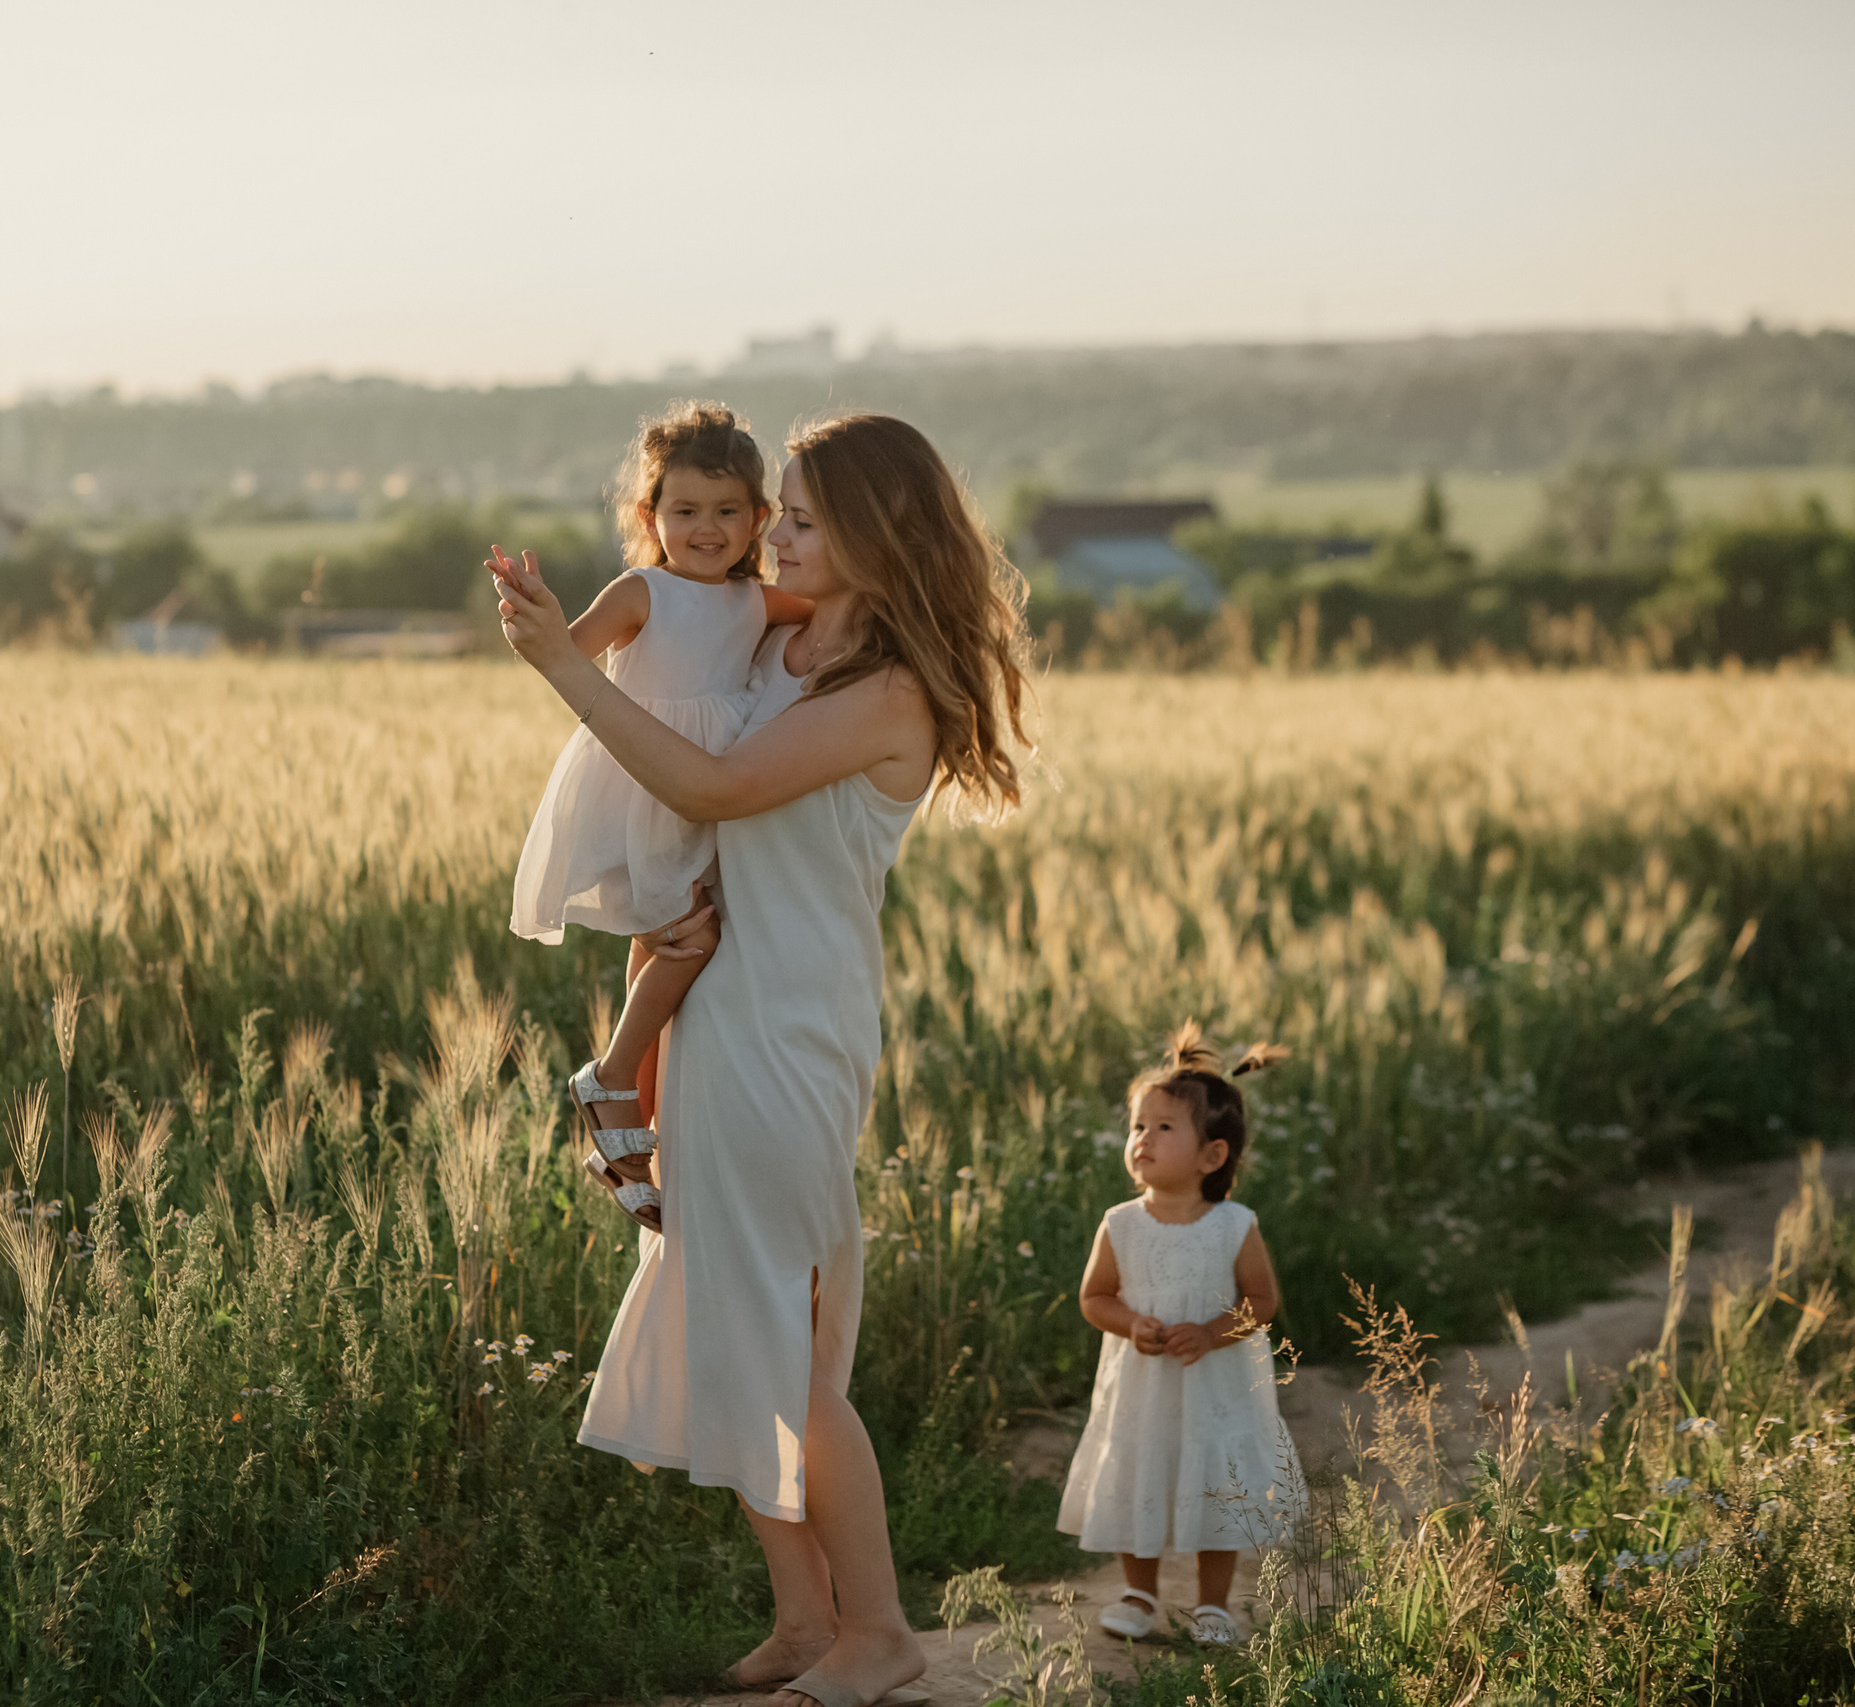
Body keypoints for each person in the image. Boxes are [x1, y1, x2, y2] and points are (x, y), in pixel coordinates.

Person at [488, 412, 1030, 1707]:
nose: (771, 535)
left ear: (872, 533)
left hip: (793, 1025)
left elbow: (724, 784)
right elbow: (684, 653)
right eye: (773, 511)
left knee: (781, 1341)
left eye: (796, 516)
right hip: (714, 1005)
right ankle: (802, 1619)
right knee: (726, 1315)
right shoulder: (786, 636)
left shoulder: (888, 692)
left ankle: (882, 1629)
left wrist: (567, 665)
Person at [506, 402, 812, 1230]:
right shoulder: (643, 590)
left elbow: (829, 618)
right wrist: (531, 610)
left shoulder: (754, 600)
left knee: (663, 940)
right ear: (650, 516)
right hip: (642, 786)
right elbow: (565, 651)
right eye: (684, 511)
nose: (706, 529)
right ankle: (609, 1075)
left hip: (704, 790)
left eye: (726, 512)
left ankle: (633, 1128)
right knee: (693, 937)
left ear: (757, 519)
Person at [1059, 1023, 1300, 1647]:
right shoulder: (1120, 1224)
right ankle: (1139, 1594)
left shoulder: (1233, 1225)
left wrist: (1216, 1332)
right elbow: (1094, 1297)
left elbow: (1263, 1301)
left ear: (1212, 1155)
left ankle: (1213, 1604)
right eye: (1139, 1125)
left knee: (1216, 1481)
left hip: (1216, 1385)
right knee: (1139, 1469)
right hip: (1141, 1385)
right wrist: (1130, 1322)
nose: (1143, 1138)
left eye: (1164, 1127)